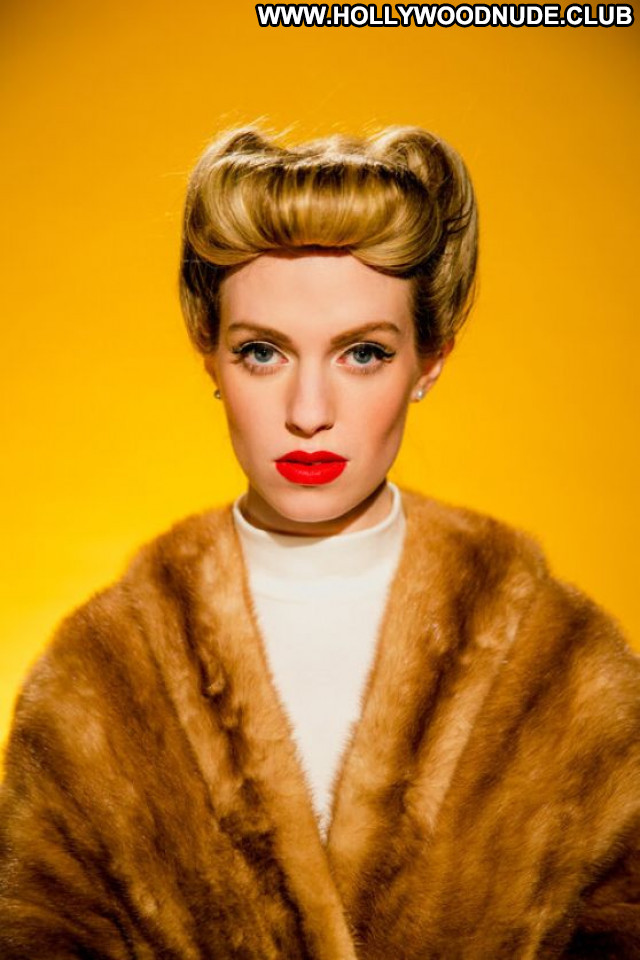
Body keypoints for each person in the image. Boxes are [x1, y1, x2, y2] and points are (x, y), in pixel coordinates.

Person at [0, 125, 638, 960]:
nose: (309, 412)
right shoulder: (96, 682)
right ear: (210, 354)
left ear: (430, 360)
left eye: (362, 354)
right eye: (262, 352)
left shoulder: (566, 675)